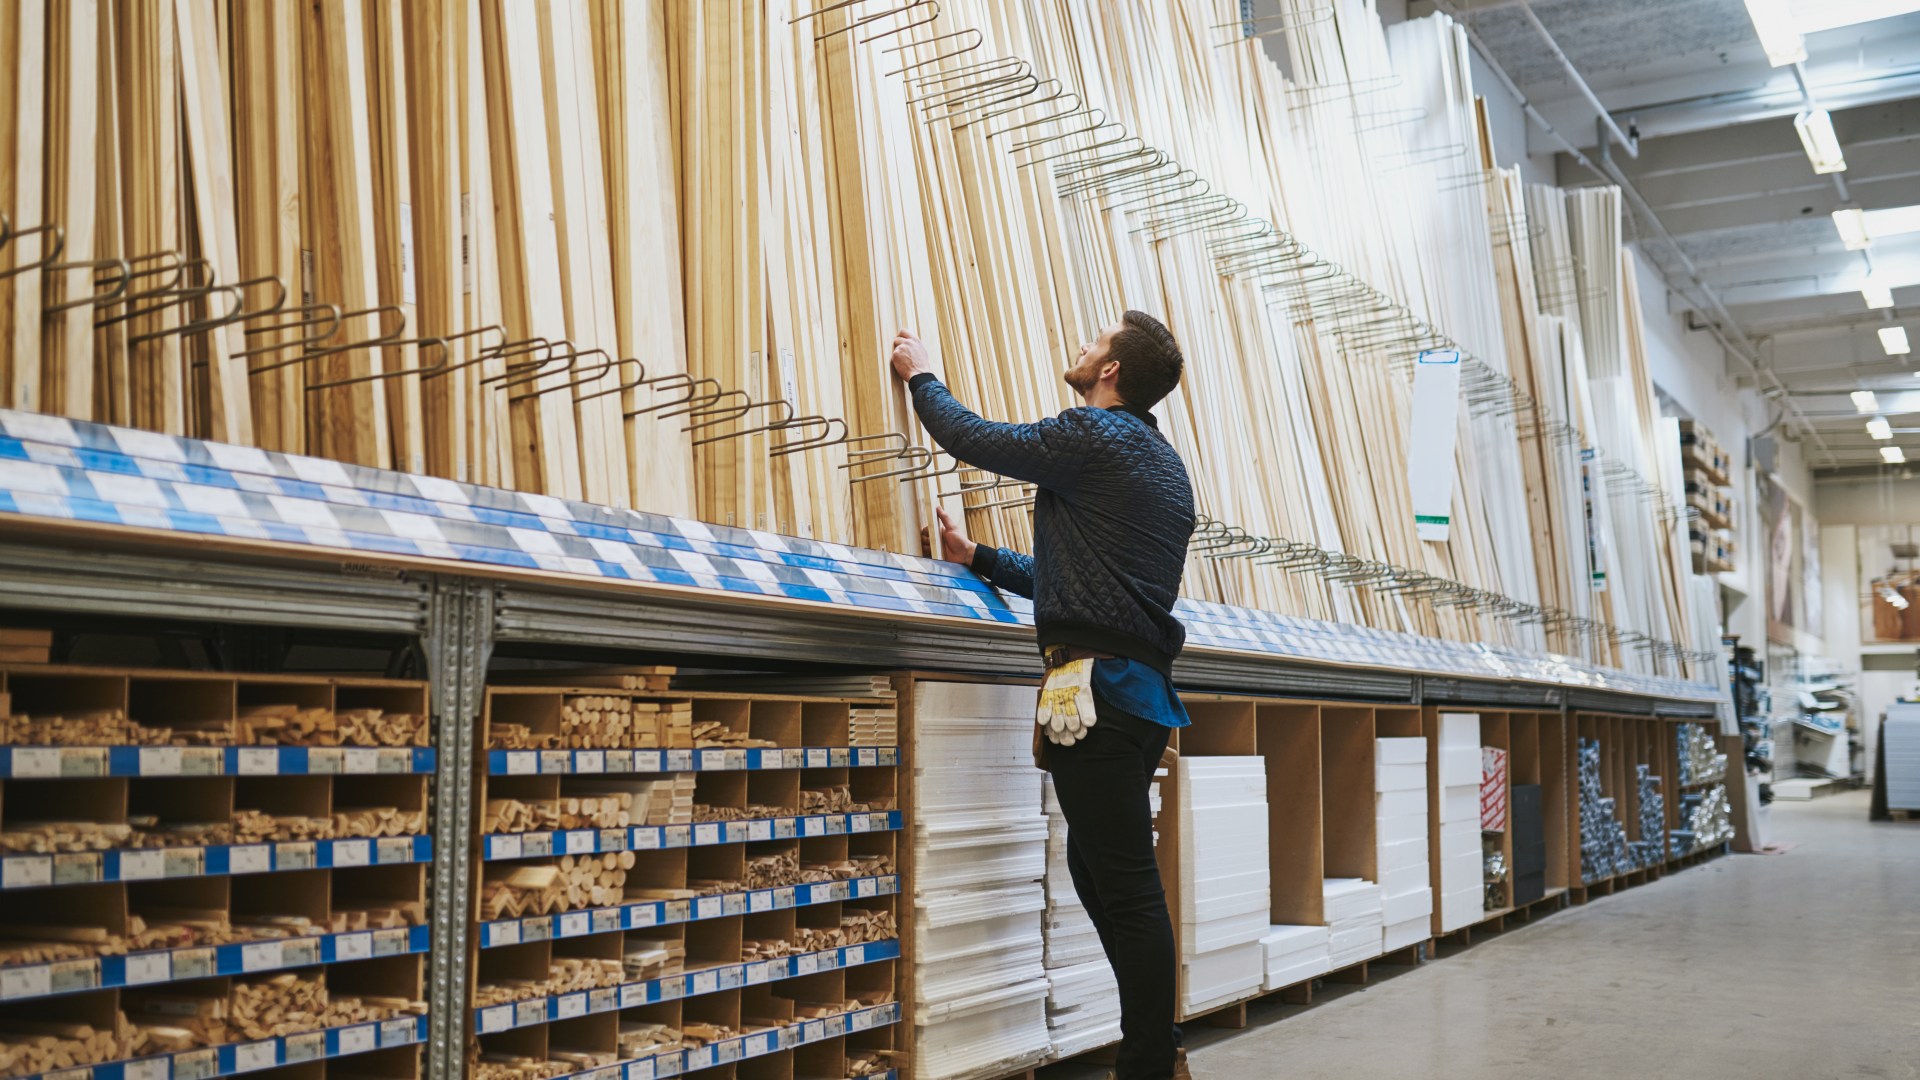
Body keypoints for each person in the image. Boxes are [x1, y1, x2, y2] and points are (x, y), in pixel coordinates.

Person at [889, 312, 1197, 1080]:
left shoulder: (1095, 437)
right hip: (1133, 695)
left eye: (1094, 342)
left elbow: (974, 439)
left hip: (1102, 692)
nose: (1081, 347)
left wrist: (921, 373)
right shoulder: (1160, 463)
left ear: (1112, 372)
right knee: (1101, 873)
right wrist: (980, 557)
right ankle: (1153, 1048)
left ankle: (1151, 1063)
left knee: (1123, 884)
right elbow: (1079, 584)